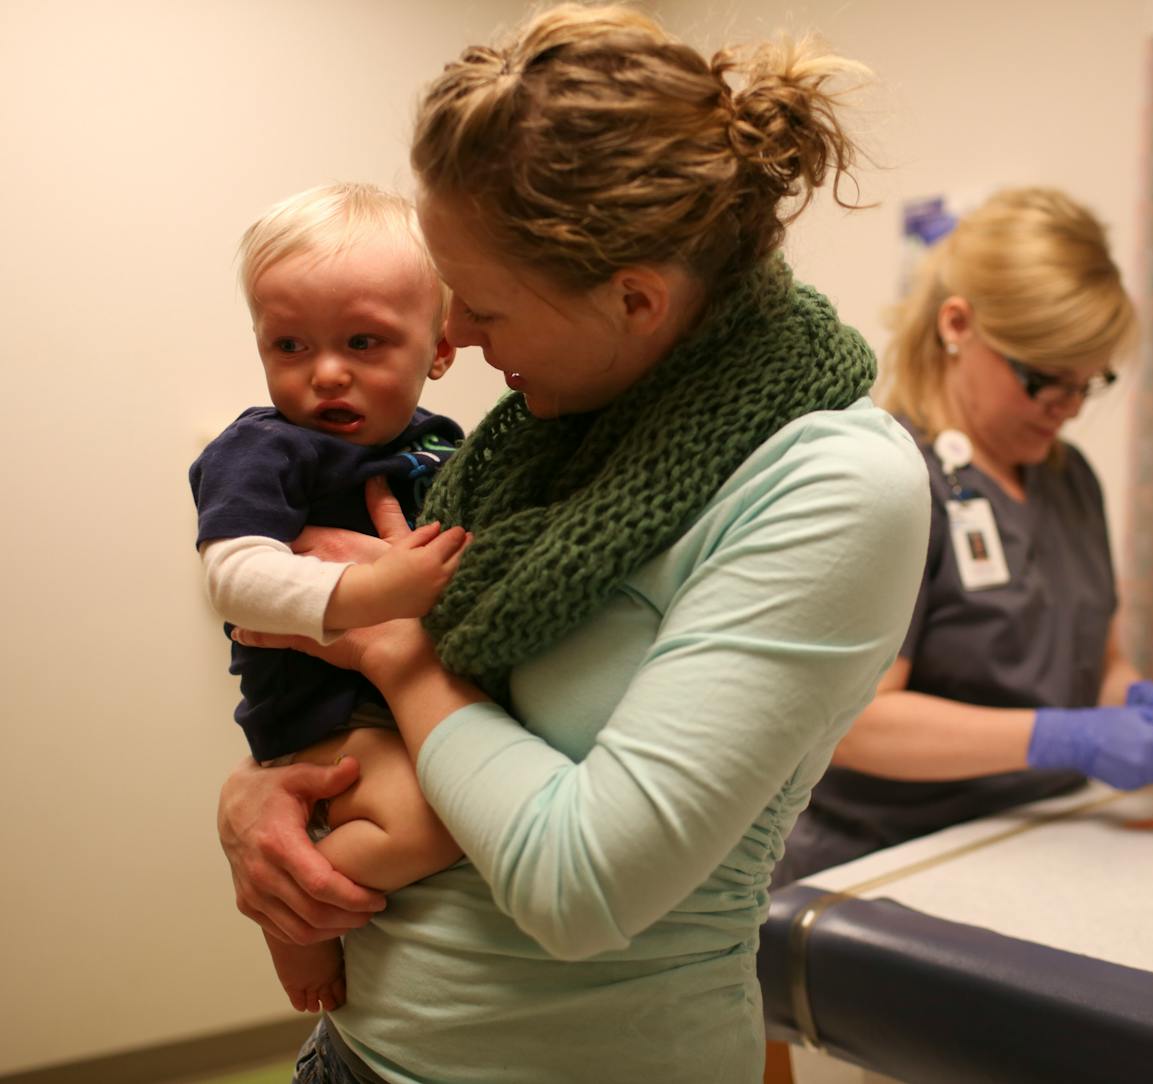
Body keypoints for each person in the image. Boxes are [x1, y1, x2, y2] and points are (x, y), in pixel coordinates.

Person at [212, 7, 931, 1082]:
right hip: (354, 1050)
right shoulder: (540, 435)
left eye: (484, 306)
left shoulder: (828, 483)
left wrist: (394, 651)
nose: (450, 332)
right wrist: (260, 794)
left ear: (634, 300)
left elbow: (580, 882)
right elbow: (435, 735)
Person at [774, 188, 1153, 884]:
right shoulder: (887, 479)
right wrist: (1061, 737)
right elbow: (852, 724)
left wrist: (1135, 704)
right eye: (1045, 381)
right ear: (958, 325)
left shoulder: (1070, 481)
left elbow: (1095, 664)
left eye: (1088, 383)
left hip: (1039, 833)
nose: (1068, 411)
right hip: (886, 860)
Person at [190, 183, 469, 1014]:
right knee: (435, 826)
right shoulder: (265, 448)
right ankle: (294, 915)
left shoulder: (441, 444)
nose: (327, 372)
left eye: (363, 341)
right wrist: (374, 588)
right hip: (319, 712)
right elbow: (232, 575)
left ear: (441, 347)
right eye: (290, 345)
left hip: (403, 696)